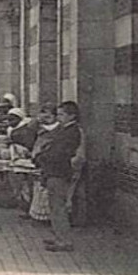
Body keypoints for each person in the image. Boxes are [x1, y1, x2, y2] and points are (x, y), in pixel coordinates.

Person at [33, 100, 84, 251]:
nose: (59, 117)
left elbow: (58, 153)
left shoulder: (71, 132)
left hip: (58, 172)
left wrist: (41, 158)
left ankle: (64, 241)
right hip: (55, 172)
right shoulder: (64, 130)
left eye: (62, 114)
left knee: (58, 208)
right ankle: (59, 237)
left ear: (71, 116)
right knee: (54, 207)